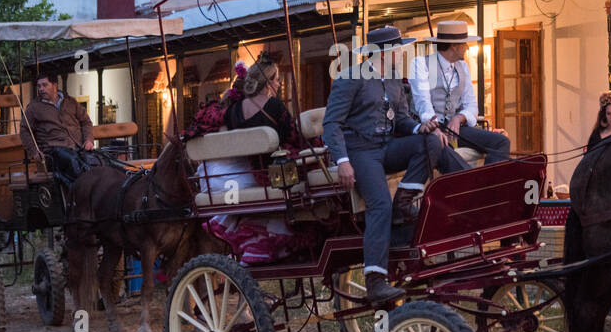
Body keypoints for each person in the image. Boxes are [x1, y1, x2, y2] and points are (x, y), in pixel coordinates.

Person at [323, 25, 469, 304]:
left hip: (386, 147)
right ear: (386, 52)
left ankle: (416, 197)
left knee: (433, 141)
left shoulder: (392, 80)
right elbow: (332, 124)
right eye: (398, 50)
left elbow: (400, 119)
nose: (402, 54)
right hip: (361, 151)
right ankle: (375, 281)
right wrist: (343, 160)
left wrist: (420, 127)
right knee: (379, 205)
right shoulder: (351, 77)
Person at [204, 54, 312, 264]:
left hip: (246, 173)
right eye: (278, 79)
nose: (280, 83)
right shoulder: (274, 106)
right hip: (274, 175)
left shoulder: (234, 110)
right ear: (268, 82)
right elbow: (293, 136)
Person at [412, 21, 510, 164]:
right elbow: (423, 104)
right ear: (454, 46)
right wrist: (435, 128)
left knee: (501, 142)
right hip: (431, 130)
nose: (467, 48)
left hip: (455, 129)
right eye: (464, 44)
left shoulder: (462, 66)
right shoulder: (421, 64)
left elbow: (472, 106)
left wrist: (458, 118)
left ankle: (490, 183)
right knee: (448, 155)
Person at [21, 71, 95, 186]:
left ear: (55, 85)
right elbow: (24, 130)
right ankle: (80, 194)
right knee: (72, 161)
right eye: (39, 86)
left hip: (78, 148)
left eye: (45, 85)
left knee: (98, 161)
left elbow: (86, 122)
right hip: (53, 151)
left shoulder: (71, 102)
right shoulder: (34, 107)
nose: (41, 89)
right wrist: (34, 151)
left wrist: (89, 140)